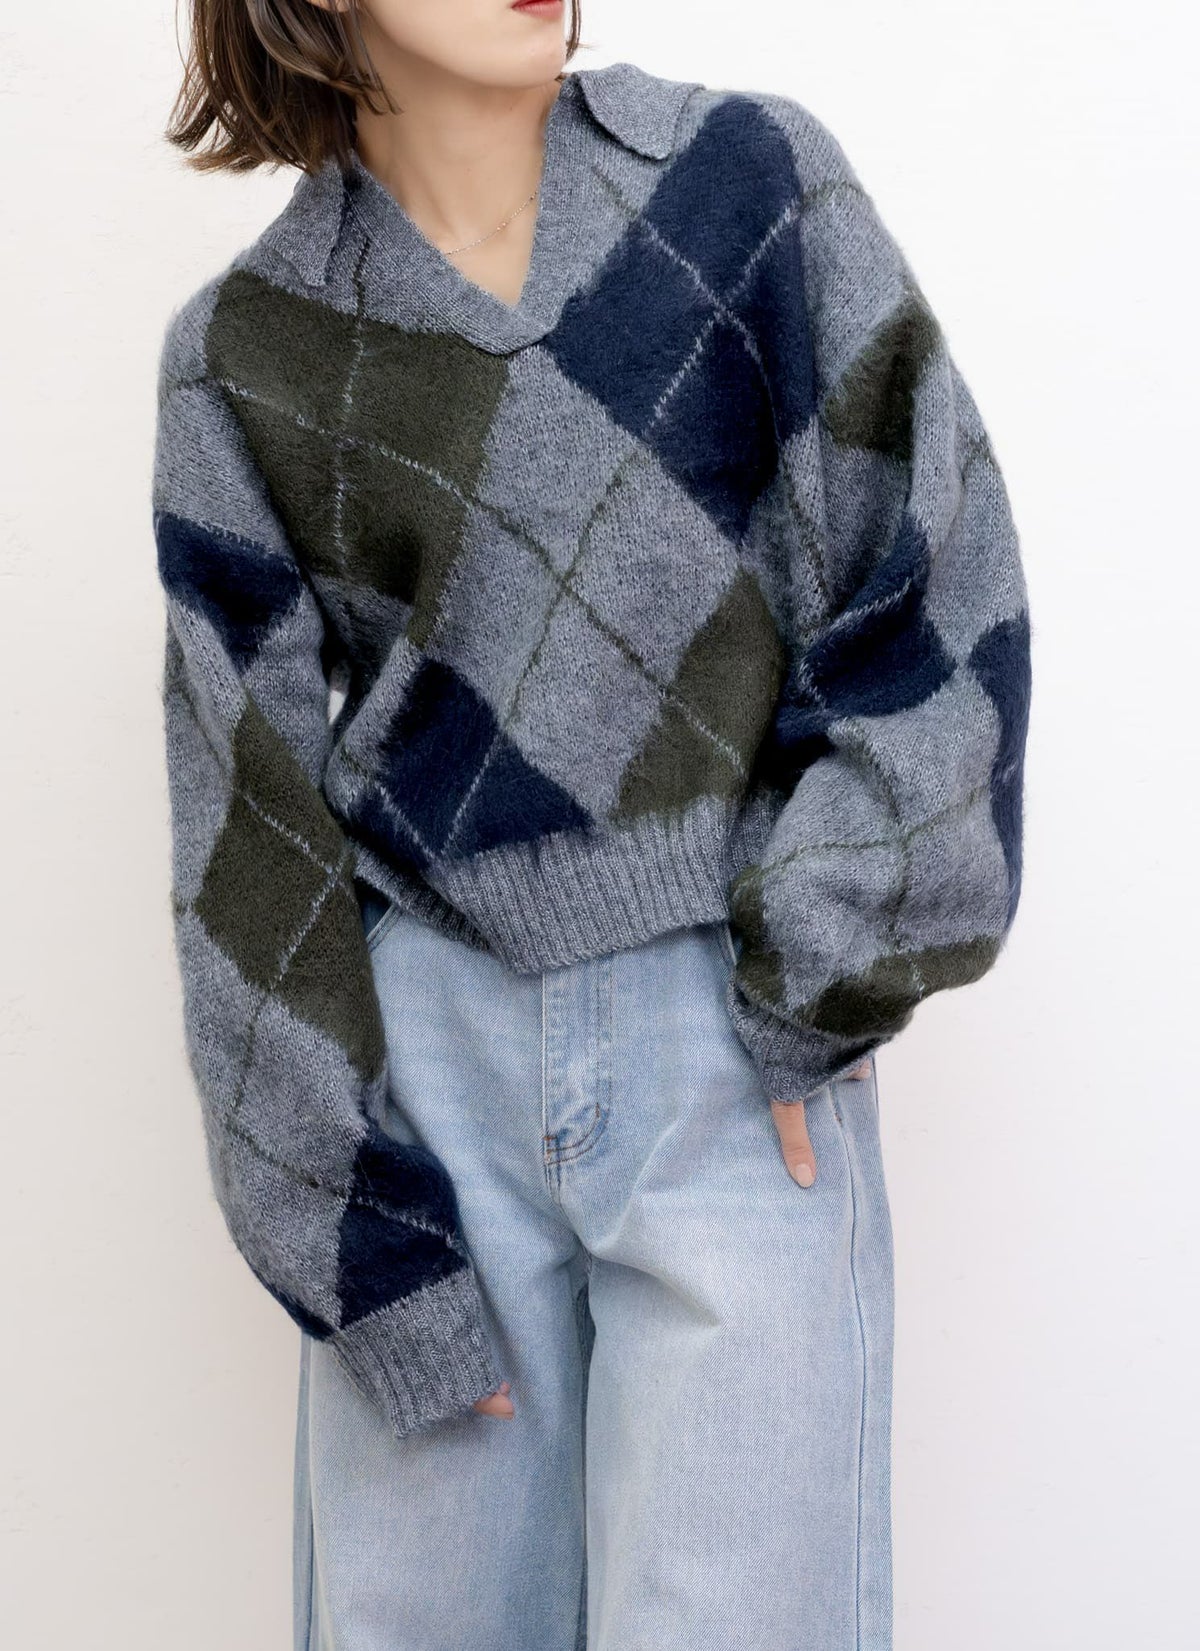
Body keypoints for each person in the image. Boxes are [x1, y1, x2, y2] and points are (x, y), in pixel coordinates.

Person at [151, 3, 1030, 1646]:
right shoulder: (244, 351)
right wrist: (353, 1229)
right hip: (425, 1097)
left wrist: (821, 969)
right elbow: (242, 823)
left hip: (729, 1055)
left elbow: (932, 578)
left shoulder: (746, 184)